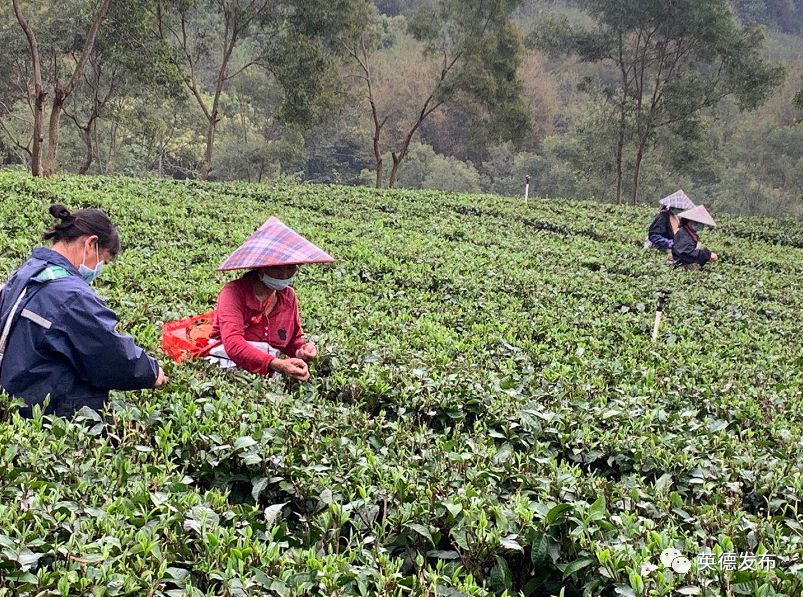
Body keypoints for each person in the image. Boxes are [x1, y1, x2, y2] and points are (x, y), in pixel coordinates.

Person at [0, 204, 166, 418]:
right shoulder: (70, 294)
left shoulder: (28, 270)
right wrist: (150, 372)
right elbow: (107, 351)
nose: (99, 269)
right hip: (48, 411)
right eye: (103, 261)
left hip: (16, 395)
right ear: (91, 243)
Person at [209, 216, 334, 381]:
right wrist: (275, 364)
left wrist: (302, 350)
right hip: (227, 368)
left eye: (290, 268)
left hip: (269, 372)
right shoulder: (233, 292)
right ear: (260, 267)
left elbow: (292, 341)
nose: (284, 275)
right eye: (276, 268)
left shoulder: (288, 297)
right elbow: (233, 343)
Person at [672, 204, 719, 270]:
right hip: (681, 267)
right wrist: (707, 254)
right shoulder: (683, 234)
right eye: (698, 222)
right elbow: (688, 254)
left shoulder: (688, 232)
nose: (700, 225)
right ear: (690, 221)